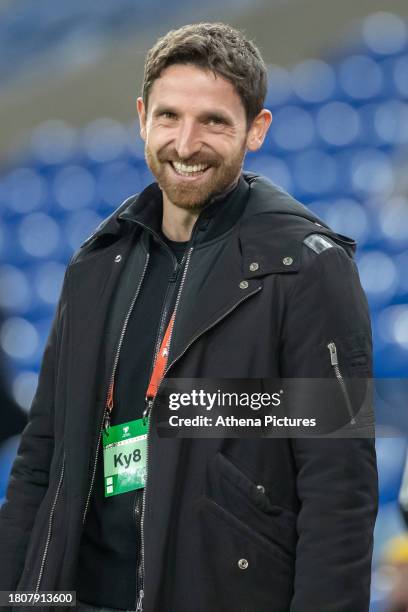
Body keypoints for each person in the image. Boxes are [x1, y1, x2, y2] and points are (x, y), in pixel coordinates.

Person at [0, 22, 378, 612]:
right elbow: (41, 456)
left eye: (214, 122)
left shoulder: (305, 268)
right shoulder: (98, 262)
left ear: (257, 130)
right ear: (141, 118)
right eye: (170, 116)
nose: (185, 142)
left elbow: (337, 486)